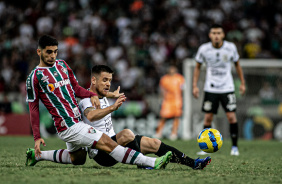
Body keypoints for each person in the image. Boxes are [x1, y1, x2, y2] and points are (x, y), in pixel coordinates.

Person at [25, 35, 172, 169]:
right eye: (49, 52)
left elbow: (76, 88)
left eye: (55, 51)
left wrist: (91, 94)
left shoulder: (62, 65)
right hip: (67, 125)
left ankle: (37, 155)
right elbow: (33, 108)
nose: (53, 56)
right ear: (39, 52)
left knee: (78, 159)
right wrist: (37, 137)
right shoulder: (34, 77)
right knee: (108, 143)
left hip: (77, 119)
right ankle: (152, 162)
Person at [26, 64, 211, 170]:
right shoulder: (85, 99)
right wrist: (112, 108)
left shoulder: (102, 95)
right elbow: (91, 115)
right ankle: (144, 164)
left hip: (115, 144)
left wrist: (110, 96)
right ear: (93, 80)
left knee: (154, 143)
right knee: (127, 134)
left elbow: (103, 97)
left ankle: (192, 163)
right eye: (104, 80)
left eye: (110, 80)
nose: (108, 84)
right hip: (102, 153)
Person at [192, 24, 246, 156]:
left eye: (219, 33)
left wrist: (242, 83)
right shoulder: (204, 49)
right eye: (214, 33)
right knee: (208, 118)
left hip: (227, 87)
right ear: (210, 35)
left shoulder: (230, 48)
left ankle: (234, 147)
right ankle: (205, 147)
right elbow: (197, 67)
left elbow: (237, 65)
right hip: (210, 88)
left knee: (231, 116)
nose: (216, 35)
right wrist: (194, 85)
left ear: (223, 35)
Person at [155, 65, 185, 140]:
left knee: (176, 117)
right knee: (163, 117)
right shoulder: (164, 79)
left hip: (177, 100)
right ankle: (158, 132)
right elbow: (162, 90)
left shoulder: (180, 78)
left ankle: (174, 134)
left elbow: (182, 89)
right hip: (167, 100)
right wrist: (161, 99)